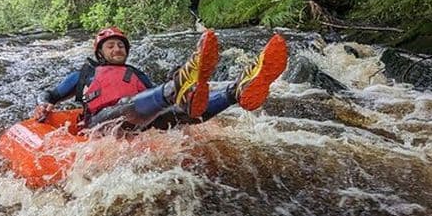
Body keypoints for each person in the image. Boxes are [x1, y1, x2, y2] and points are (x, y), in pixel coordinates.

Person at [33, 26, 288, 132]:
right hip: (102, 124)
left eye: (121, 46)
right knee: (141, 103)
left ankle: (236, 91)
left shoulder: (136, 74)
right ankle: (179, 84)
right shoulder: (84, 74)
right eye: (111, 46)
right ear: (100, 51)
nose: (117, 49)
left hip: (141, 124)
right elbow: (51, 94)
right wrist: (44, 103)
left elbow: (153, 103)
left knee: (179, 111)